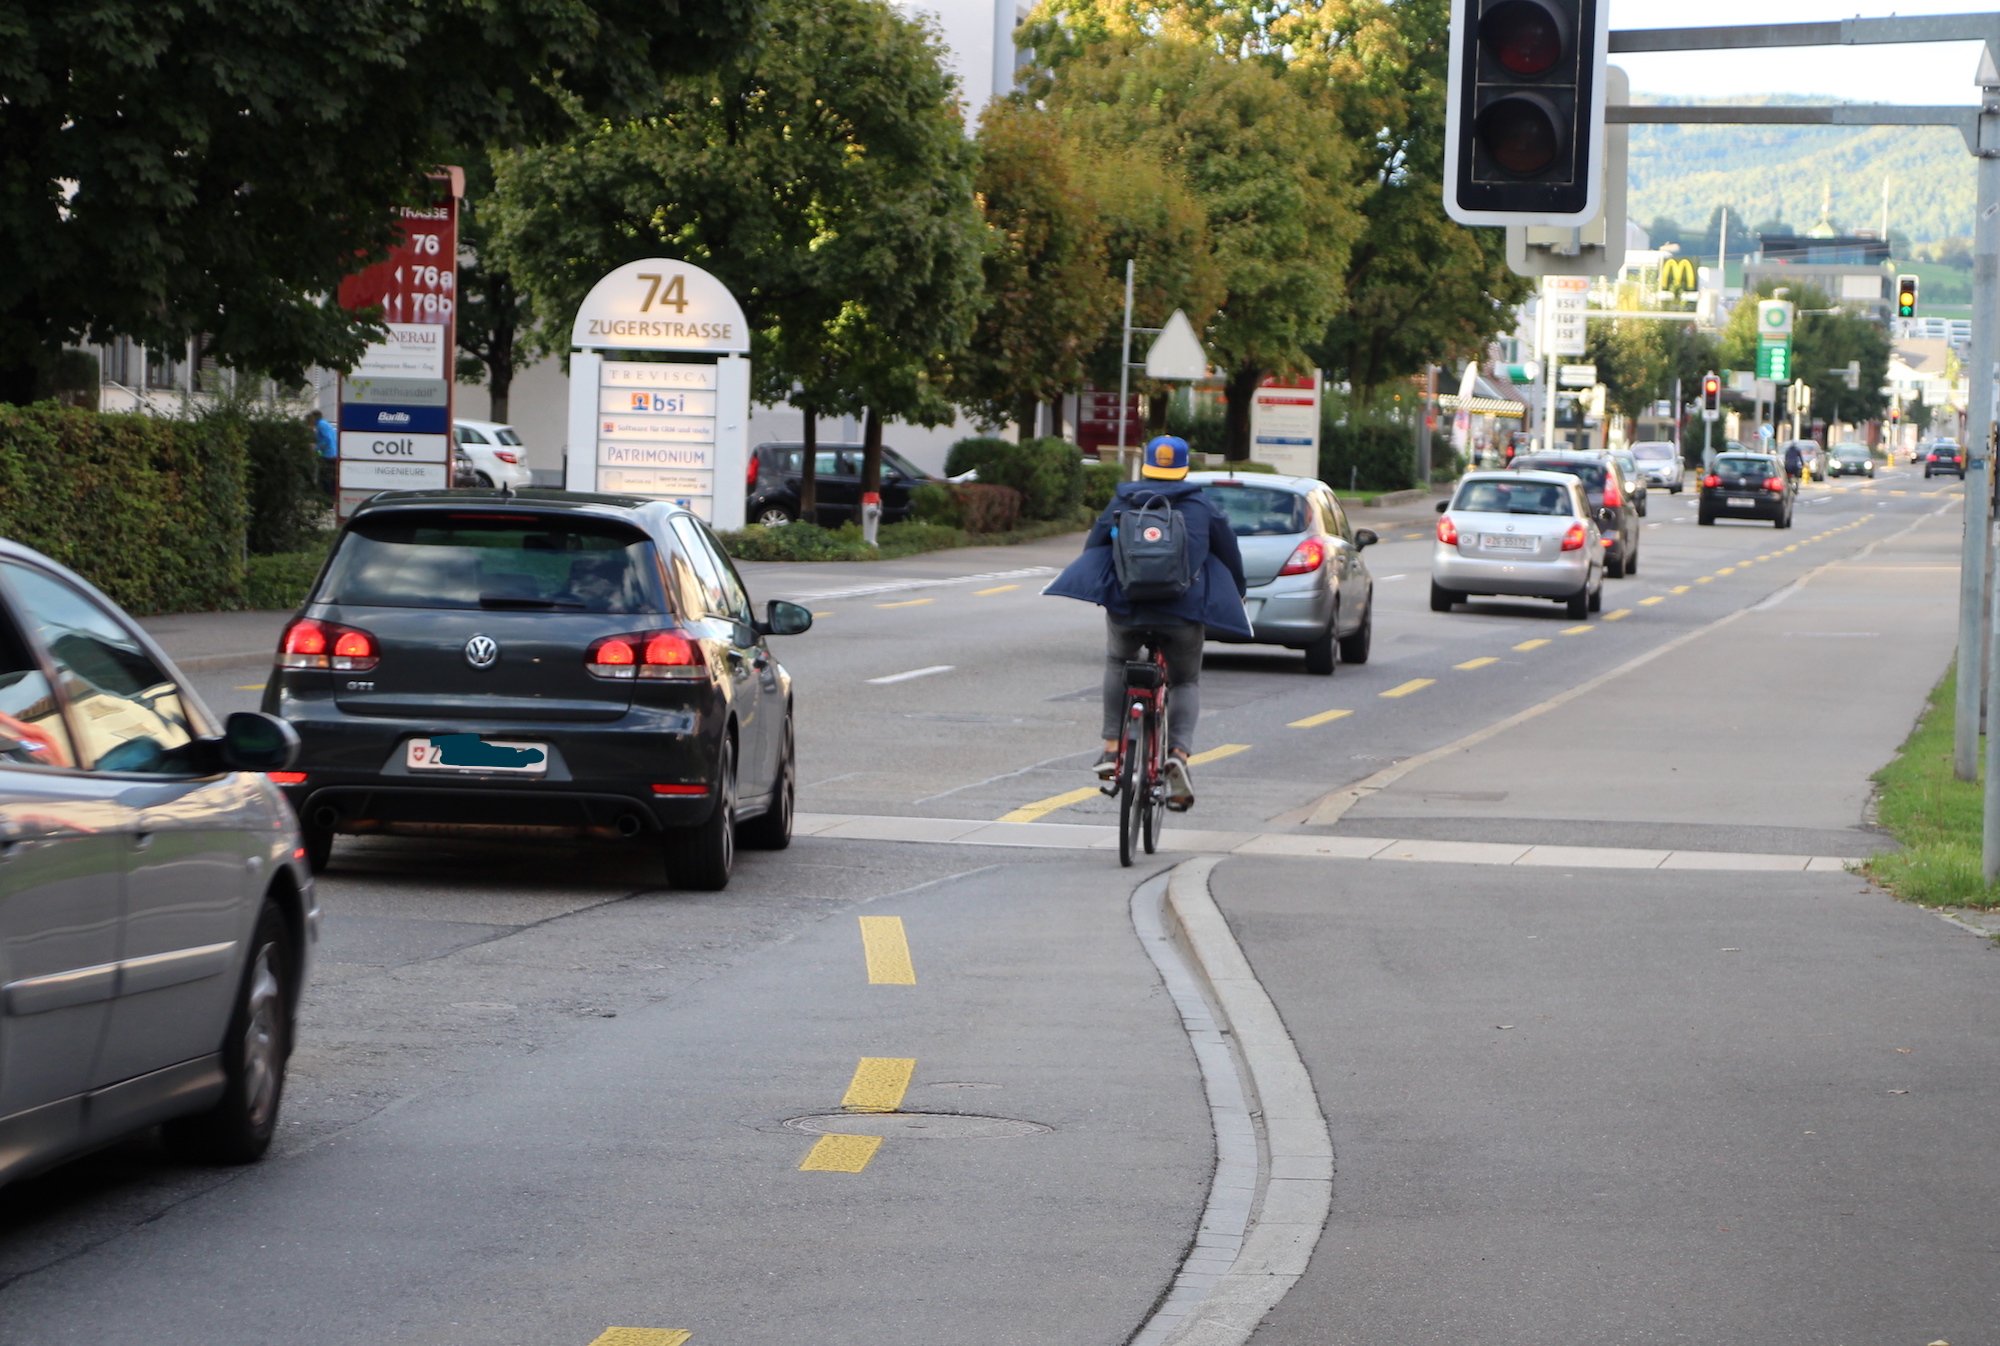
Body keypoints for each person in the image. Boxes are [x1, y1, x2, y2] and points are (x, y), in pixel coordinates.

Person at [1045, 435, 1250, 809]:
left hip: (1128, 607)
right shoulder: (1202, 507)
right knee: (1185, 680)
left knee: (1117, 662)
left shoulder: (1123, 501)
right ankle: (1177, 755)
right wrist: (1238, 591)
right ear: (1184, 469)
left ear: (1147, 466)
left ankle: (1110, 748)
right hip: (1182, 612)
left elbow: (1094, 550)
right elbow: (1230, 555)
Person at [310, 409, 338, 496]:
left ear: (315, 417)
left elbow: (327, 439)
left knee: (325, 479)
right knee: (331, 478)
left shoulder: (320, 425)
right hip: (334, 454)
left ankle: (327, 500)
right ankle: (332, 498)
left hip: (327, 455)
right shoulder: (326, 424)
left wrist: (316, 447)